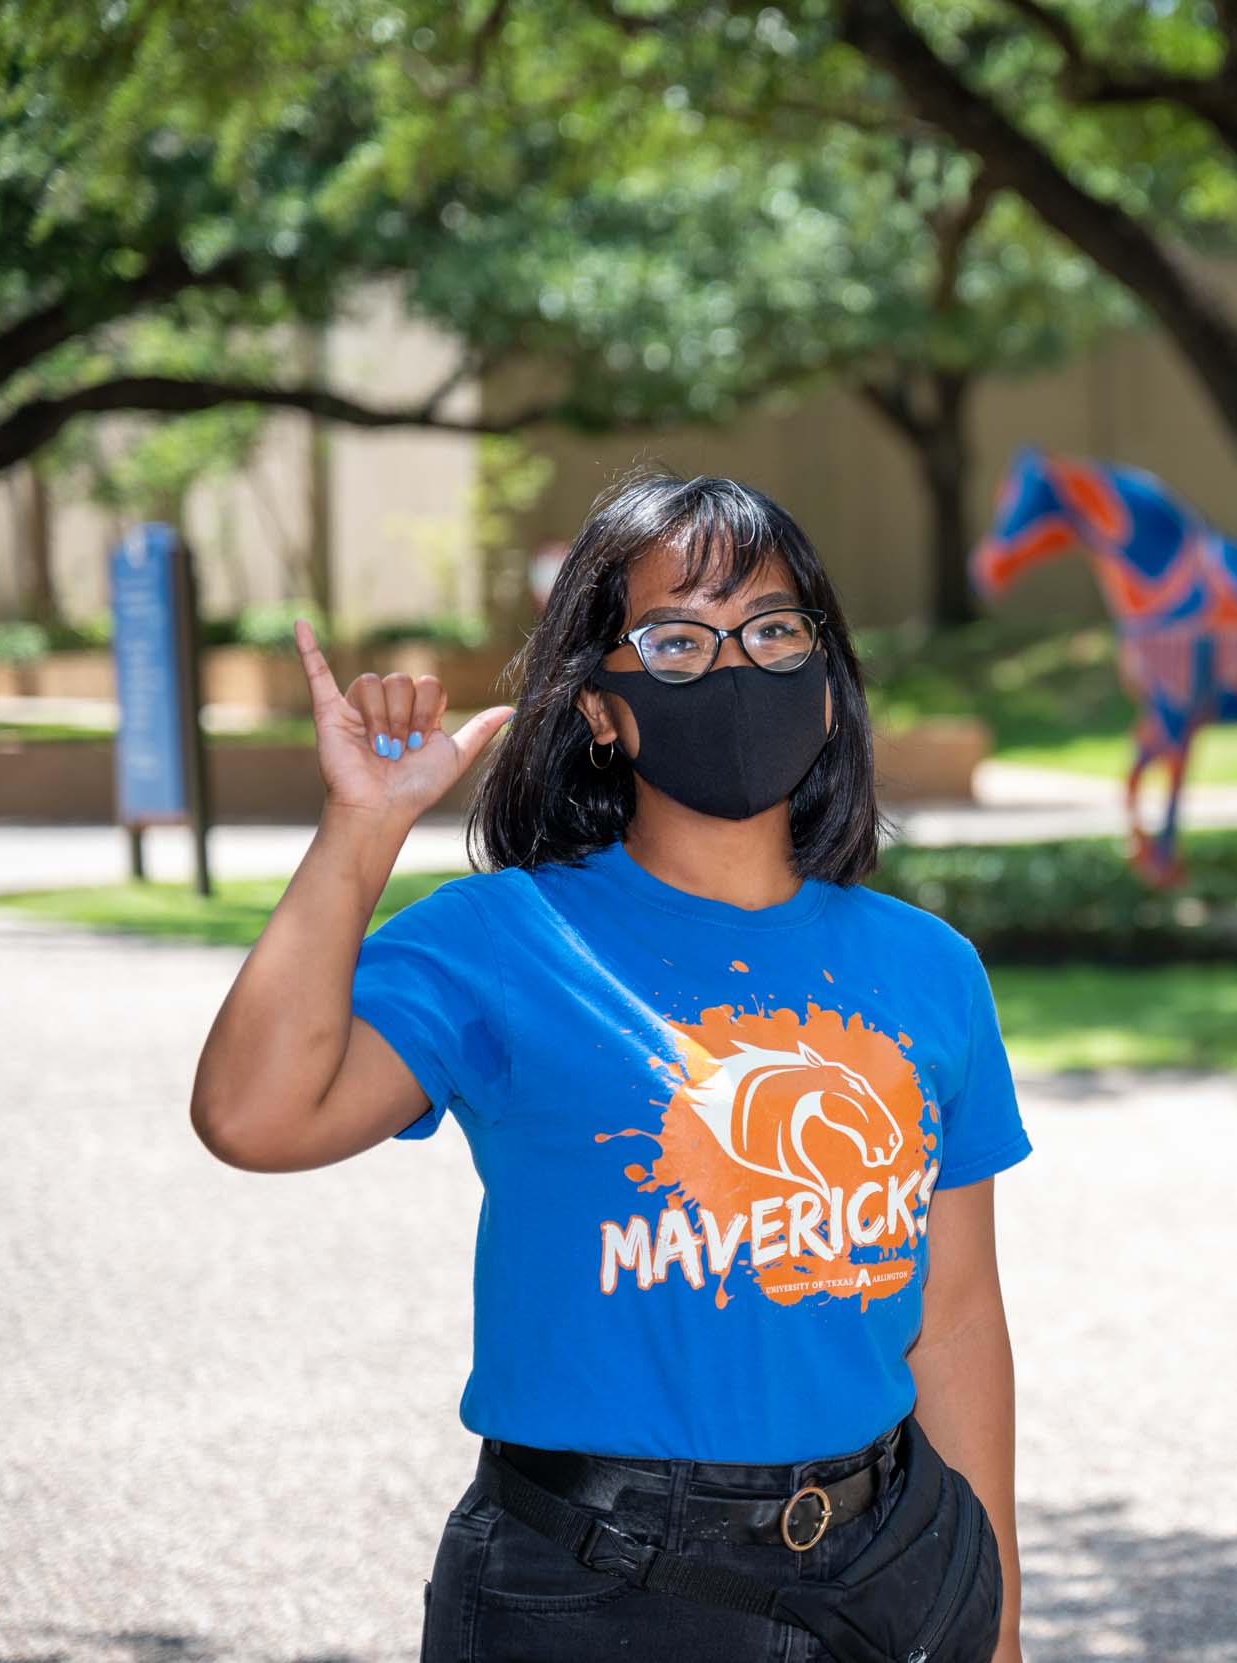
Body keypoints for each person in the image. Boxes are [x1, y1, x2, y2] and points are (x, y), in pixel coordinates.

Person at [189, 469, 1031, 1663]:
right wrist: (363, 826)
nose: (734, 664)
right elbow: (252, 1116)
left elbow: (952, 1319)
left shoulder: (929, 967)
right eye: (676, 638)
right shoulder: (499, 939)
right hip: (594, 1593)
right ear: (599, 707)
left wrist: (991, 1620)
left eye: (773, 628)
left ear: (830, 686)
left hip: (891, 1570)